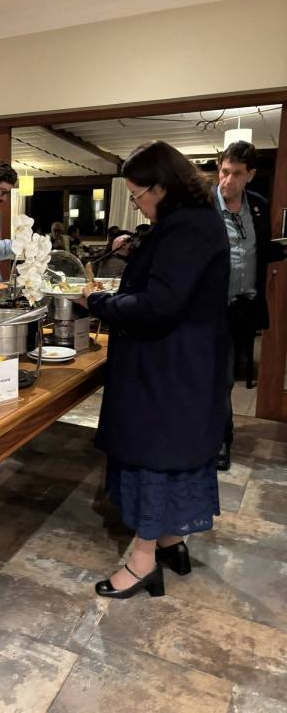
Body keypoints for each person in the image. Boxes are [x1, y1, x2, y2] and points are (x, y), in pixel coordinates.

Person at [82, 141, 229, 599]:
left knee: (154, 456)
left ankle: (142, 562)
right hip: (185, 361)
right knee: (173, 454)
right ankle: (169, 541)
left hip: (168, 365)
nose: (137, 204)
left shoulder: (186, 228)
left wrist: (98, 302)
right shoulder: (193, 221)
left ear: (161, 188)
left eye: (137, 195)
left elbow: (160, 304)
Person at [214, 141, 286, 471]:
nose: (227, 180)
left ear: (251, 175)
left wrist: (283, 249)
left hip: (244, 308)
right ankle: (220, 440)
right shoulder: (204, 206)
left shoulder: (257, 205)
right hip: (211, 309)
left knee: (228, 376)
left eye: (237, 174)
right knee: (221, 378)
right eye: (224, 171)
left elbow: (258, 250)